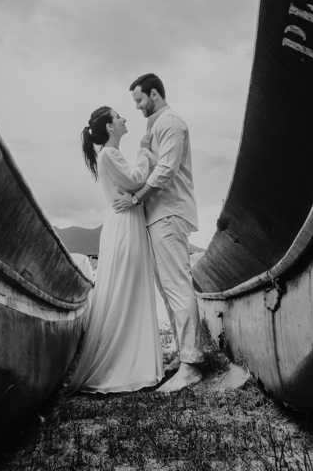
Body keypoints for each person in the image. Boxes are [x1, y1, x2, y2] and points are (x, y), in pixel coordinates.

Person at [113, 73, 204, 393]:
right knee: (167, 289)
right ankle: (184, 354)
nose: (137, 106)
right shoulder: (156, 127)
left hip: (169, 213)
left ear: (154, 94)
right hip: (157, 216)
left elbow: (166, 170)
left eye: (139, 100)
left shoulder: (171, 122)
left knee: (177, 285)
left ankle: (192, 366)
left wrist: (135, 198)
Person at [67, 106, 164, 394]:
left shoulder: (110, 154)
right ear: (110, 126)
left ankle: (132, 361)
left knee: (127, 288)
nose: (123, 119)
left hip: (125, 222)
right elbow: (135, 180)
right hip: (125, 225)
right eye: (118, 116)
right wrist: (144, 151)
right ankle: (127, 365)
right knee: (127, 288)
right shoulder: (109, 154)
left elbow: (132, 183)